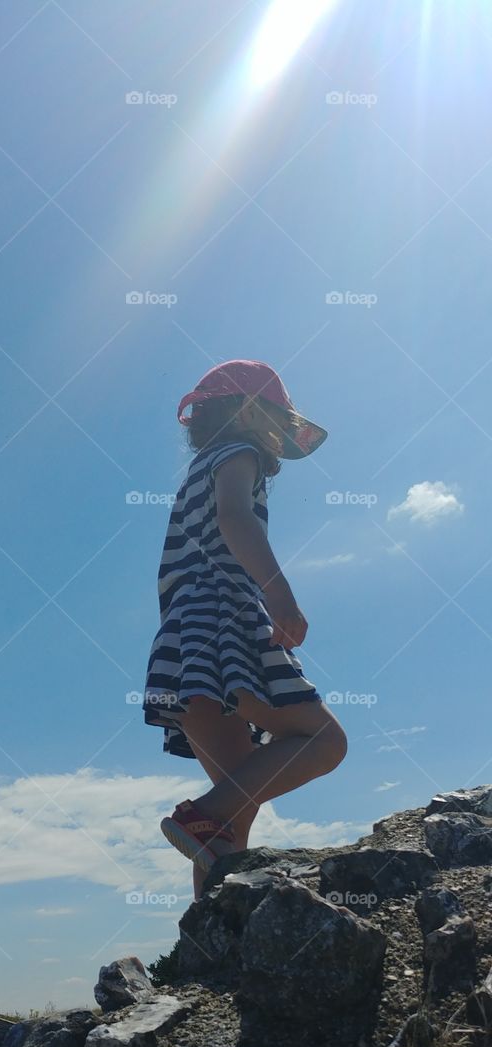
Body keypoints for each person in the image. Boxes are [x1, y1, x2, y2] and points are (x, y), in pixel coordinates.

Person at [143, 358, 348, 900]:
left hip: (182, 641)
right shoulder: (241, 453)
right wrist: (279, 594)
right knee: (325, 742)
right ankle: (198, 818)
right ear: (250, 411)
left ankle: (208, 943)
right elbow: (235, 519)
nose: (281, 434)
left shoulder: (197, 470)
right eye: (278, 419)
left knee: (232, 815)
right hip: (223, 619)